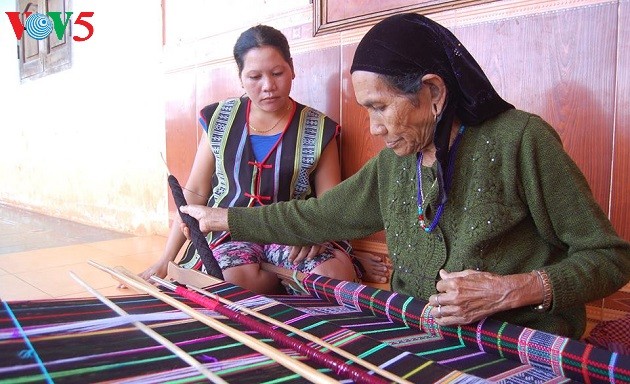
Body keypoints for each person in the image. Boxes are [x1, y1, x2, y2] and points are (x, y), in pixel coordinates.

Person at [179, 13, 630, 339]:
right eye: (366, 110)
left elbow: (610, 257)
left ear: (432, 93)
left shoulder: (521, 141)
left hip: (514, 343)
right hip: (416, 331)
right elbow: (317, 216)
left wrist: (511, 290)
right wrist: (225, 220)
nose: (373, 128)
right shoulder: (397, 162)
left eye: (380, 107)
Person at [140, 24, 390, 294]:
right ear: (241, 77)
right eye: (255, 77)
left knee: (331, 276)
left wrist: (319, 233)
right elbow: (196, 192)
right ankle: (286, 279)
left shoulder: (319, 128)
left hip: (292, 232)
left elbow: (330, 203)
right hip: (231, 233)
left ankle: (317, 269)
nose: (268, 86)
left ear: (292, 68)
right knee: (229, 281)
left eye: (277, 73)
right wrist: (166, 258)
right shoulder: (219, 120)